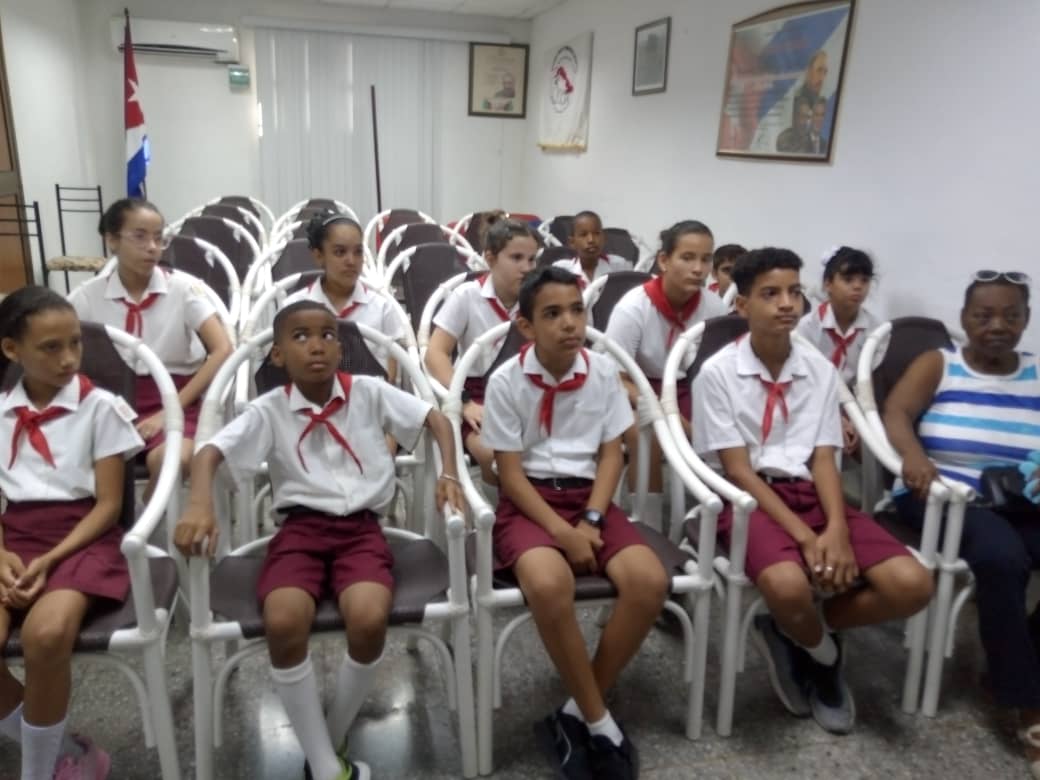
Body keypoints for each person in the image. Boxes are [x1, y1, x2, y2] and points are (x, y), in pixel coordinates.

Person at [174, 301, 464, 780]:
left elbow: (436, 418)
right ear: (279, 356)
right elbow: (209, 453)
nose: (318, 345)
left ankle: (327, 738)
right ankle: (329, 767)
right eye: (302, 336)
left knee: (369, 617)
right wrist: (200, 502)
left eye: (328, 335)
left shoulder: (369, 392)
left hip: (362, 531)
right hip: (299, 532)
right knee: (284, 620)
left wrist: (449, 472)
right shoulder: (269, 409)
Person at [692, 248, 933, 735]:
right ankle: (823, 657)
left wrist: (838, 528)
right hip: (750, 501)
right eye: (770, 294)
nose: (787, 303)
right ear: (741, 307)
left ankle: (796, 628)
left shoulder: (817, 368)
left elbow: (825, 456)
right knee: (786, 585)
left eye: (795, 292)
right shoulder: (717, 373)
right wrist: (807, 537)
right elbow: (739, 471)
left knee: (914, 585)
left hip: (814, 494)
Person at [482, 266, 668, 779]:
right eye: (552, 314)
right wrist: (562, 531)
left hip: (591, 501)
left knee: (649, 581)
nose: (569, 323)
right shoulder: (506, 381)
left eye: (576, 311)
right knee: (548, 582)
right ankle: (601, 721)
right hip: (531, 505)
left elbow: (614, 453)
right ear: (526, 326)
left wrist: (589, 517)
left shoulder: (603, 372)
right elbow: (510, 475)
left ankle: (573, 711)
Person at [882, 271, 1040, 777]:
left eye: (1010, 316)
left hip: (1021, 496)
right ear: (964, 319)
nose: (997, 325)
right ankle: (1026, 702)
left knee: (1009, 554)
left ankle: (1020, 654)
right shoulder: (939, 364)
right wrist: (913, 457)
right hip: (942, 496)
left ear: (1026, 320)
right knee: (1002, 559)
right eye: (984, 315)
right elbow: (897, 413)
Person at [0, 287, 145, 780]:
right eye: (49, 348)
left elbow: (108, 506)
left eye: (75, 344)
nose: (68, 359)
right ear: (11, 350)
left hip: (82, 537)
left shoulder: (100, 407)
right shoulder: (0, 412)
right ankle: (65, 749)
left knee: (46, 634)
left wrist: (50, 558)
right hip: (12, 536)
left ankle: (37, 773)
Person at [68, 198, 233, 499]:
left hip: (176, 396)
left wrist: (169, 410)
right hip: (111, 402)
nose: (153, 247)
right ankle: (109, 526)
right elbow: (64, 358)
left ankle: (143, 528)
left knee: (173, 459)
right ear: (112, 240)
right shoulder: (86, 297)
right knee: (82, 462)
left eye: (159, 238)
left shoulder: (182, 289)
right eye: (140, 236)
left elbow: (222, 348)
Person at [604, 220, 728, 529]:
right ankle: (649, 524)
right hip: (635, 388)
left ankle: (721, 516)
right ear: (663, 260)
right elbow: (615, 375)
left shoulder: (713, 308)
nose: (699, 268)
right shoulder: (634, 308)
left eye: (705, 259)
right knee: (647, 430)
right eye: (687, 258)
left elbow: (718, 371)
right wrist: (662, 408)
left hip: (687, 388)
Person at [425, 218, 539, 483]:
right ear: (490, 258)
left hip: (528, 392)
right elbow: (435, 353)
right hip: (477, 395)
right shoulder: (467, 295)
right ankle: (507, 517)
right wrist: (464, 402)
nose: (527, 268)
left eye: (532, 259)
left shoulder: (539, 298)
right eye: (517, 258)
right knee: (495, 456)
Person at [281, 213, 403, 381]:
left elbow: (390, 372)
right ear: (319, 256)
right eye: (340, 252)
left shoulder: (381, 308)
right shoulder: (294, 307)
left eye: (358, 252)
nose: (351, 261)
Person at [796, 246, 879, 454]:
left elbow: (870, 381)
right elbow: (804, 382)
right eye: (848, 280)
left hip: (858, 405)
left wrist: (857, 419)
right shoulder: (806, 327)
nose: (858, 287)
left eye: (864, 280)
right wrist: (834, 417)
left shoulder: (876, 330)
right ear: (828, 284)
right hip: (812, 402)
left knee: (875, 434)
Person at [553, 211, 631, 286]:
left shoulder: (619, 265)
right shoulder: (562, 270)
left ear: (604, 238)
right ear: (572, 242)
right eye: (583, 235)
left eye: (596, 233)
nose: (591, 240)